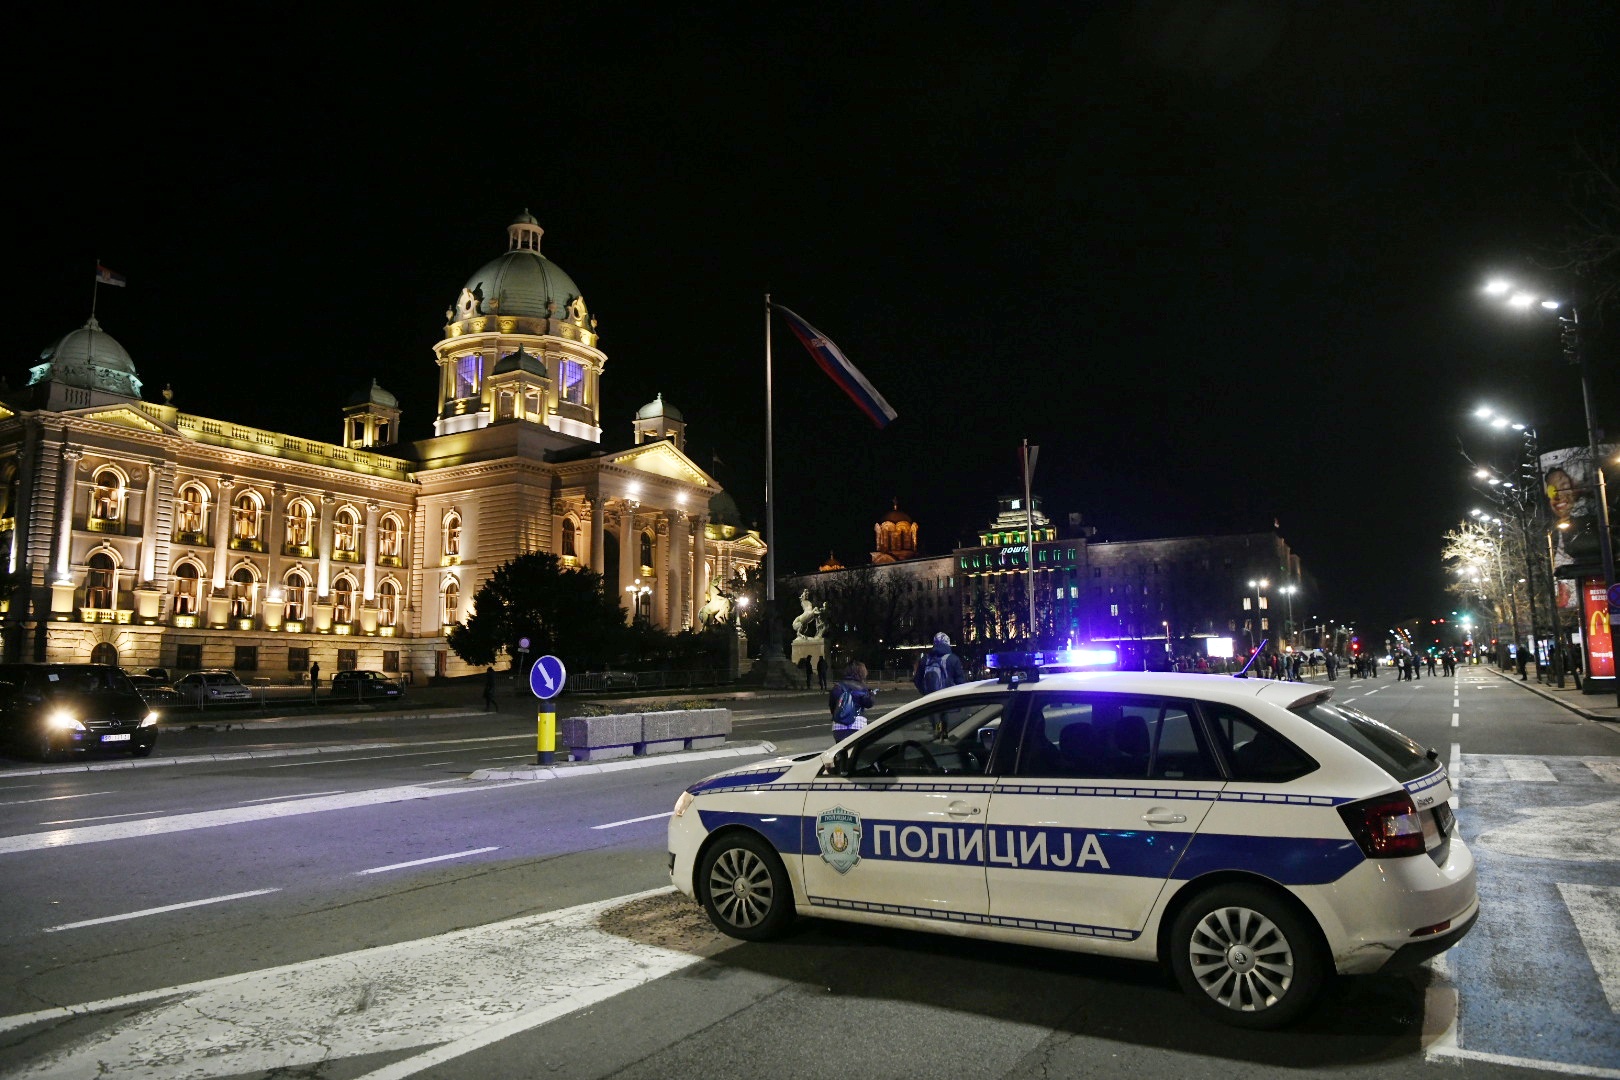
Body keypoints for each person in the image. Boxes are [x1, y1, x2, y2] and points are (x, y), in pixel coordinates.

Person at [830, 661, 877, 742]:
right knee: (856, 752)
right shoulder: (862, 687)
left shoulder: (837, 687)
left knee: (841, 751)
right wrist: (871, 694)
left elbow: (832, 706)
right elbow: (869, 703)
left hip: (838, 726)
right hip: (857, 725)